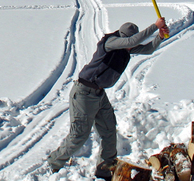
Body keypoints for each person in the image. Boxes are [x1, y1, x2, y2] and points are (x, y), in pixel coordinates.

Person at [47, 17, 169, 180]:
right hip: (84, 93)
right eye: (128, 41)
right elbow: (133, 40)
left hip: (99, 94)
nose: (131, 45)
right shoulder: (111, 42)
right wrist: (155, 26)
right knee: (79, 136)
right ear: (122, 37)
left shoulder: (126, 48)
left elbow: (147, 49)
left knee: (109, 131)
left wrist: (159, 37)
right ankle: (53, 164)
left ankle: (104, 170)